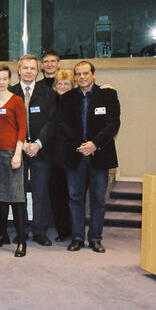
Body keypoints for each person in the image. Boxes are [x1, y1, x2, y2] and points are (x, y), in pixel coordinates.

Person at [58, 61, 120, 253]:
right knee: (75, 198)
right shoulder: (67, 98)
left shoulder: (108, 95)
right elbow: (64, 125)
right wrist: (81, 146)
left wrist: (94, 144)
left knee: (98, 200)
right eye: (78, 74)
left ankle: (95, 238)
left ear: (94, 74)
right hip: (76, 155)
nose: (82, 77)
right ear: (75, 77)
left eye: (86, 73)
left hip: (99, 154)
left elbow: (113, 124)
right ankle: (77, 237)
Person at [9, 54, 56, 247]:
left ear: (38, 71)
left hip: (41, 150)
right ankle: (22, 230)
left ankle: (39, 231)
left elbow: (52, 121)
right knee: (18, 192)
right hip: (17, 150)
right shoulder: (10, 93)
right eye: (25, 68)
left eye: (32, 68)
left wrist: (37, 143)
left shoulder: (48, 93)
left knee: (40, 192)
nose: (29, 71)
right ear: (19, 70)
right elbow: (8, 124)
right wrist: (23, 145)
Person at [0, 65, 28, 257]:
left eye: (5, 78)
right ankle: (3, 235)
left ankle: (21, 241)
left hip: (13, 155)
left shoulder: (16, 101)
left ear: (9, 80)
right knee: (0, 200)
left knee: (17, 199)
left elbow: (22, 129)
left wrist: (18, 153)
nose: (1, 81)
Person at [49, 69, 75, 242]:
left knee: (73, 197)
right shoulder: (50, 103)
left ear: (72, 85)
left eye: (67, 84)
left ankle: (76, 231)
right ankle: (63, 231)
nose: (63, 86)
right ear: (55, 85)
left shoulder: (77, 102)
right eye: (60, 83)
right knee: (57, 197)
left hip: (73, 158)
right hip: (53, 158)